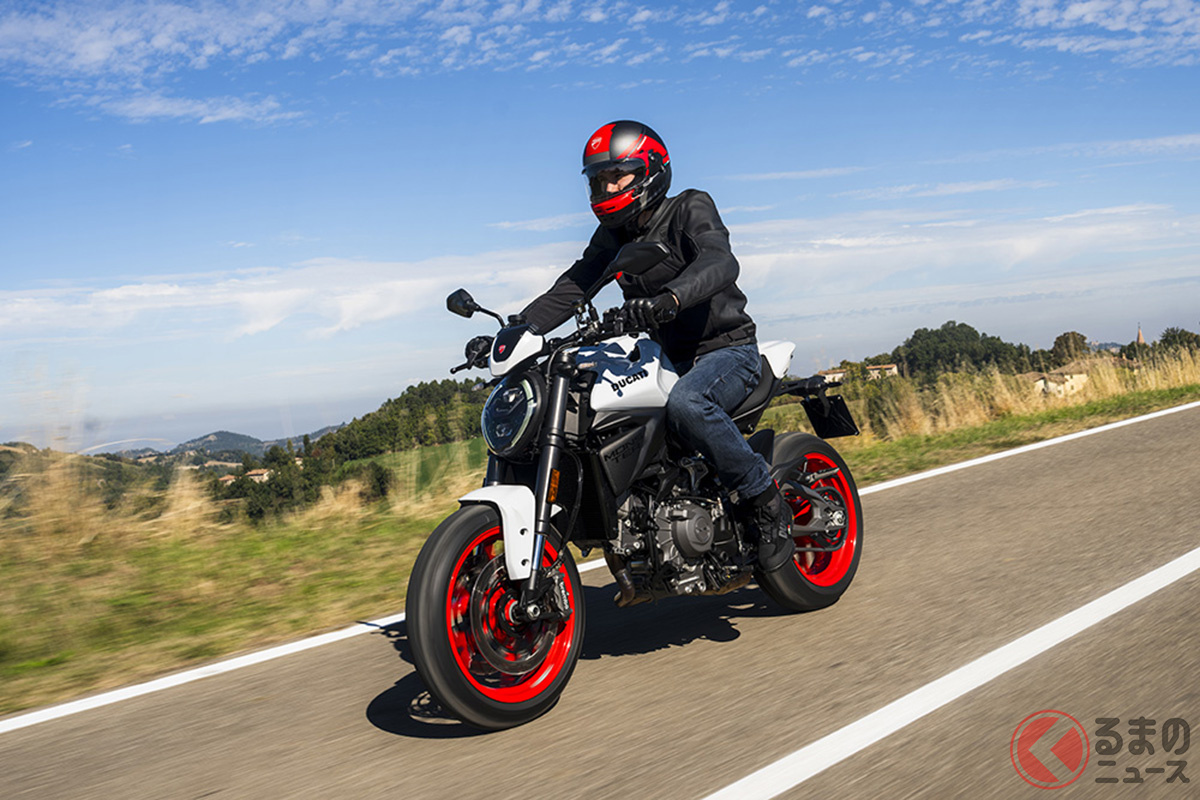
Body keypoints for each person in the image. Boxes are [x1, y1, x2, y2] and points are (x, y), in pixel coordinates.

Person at [518, 120, 796, 572]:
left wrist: (671, 298)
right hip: (665, 359)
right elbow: (575, 284)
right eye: (599, 180)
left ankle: (765, 499)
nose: (607, 187)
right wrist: (518, 329)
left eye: (617, 175)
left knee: (689, 403)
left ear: (649, 170)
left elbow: (720, 260)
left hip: (726, 351)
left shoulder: (689, 207)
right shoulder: (613, 238)